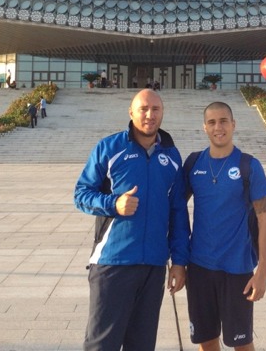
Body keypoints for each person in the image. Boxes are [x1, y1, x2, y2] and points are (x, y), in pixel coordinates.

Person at [74, 89, 190, 351]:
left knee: (142, 345)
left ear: (162, 113)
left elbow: (178, 212)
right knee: (102, 344)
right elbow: (81, 194)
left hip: (153, 266)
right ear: (131, 112)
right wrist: (113, 203)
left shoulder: (171, 156)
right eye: (143, 109)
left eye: (156, 109)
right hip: (113, 264)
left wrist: (179, 262)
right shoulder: (109, 148)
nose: (150, 115)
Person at [185, 101, 266, 351]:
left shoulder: (248, 166)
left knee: (242, 343)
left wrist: (262, 272)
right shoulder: (193, 164)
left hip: (237, 270)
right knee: (206, 340)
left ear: (233, 125)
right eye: (212, 122)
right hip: (199, 268)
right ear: (204, 127)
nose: (218, 127)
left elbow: (265, 217)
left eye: (223, 121)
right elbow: (175, 210)